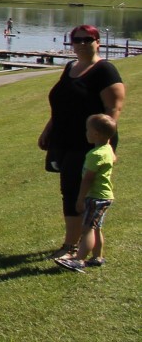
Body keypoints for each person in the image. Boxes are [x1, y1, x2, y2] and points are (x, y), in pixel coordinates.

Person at [39, 25, 126, 260]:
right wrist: (48, 129)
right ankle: (82, 244)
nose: (82, 43)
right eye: (77, 40)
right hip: (64, 138)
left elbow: (113, 109)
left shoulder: (105, 70)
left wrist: (105, 143)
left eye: (88, 39)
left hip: (89, 143)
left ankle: (72, 246)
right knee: (68, 190)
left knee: (79, 193)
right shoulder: (70, 67)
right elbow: (62, 103)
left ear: (98, 41)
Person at [56, 114, 118, 273]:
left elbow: (88, 179)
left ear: (96, 134)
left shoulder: (95, 155)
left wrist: (81, 198)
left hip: (95, 197)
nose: (86, 133)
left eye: (87, 130)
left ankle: (79, 260)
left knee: (87, 229)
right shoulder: (107, 149)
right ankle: (97, 257)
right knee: (96, 227)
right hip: (105, 196)